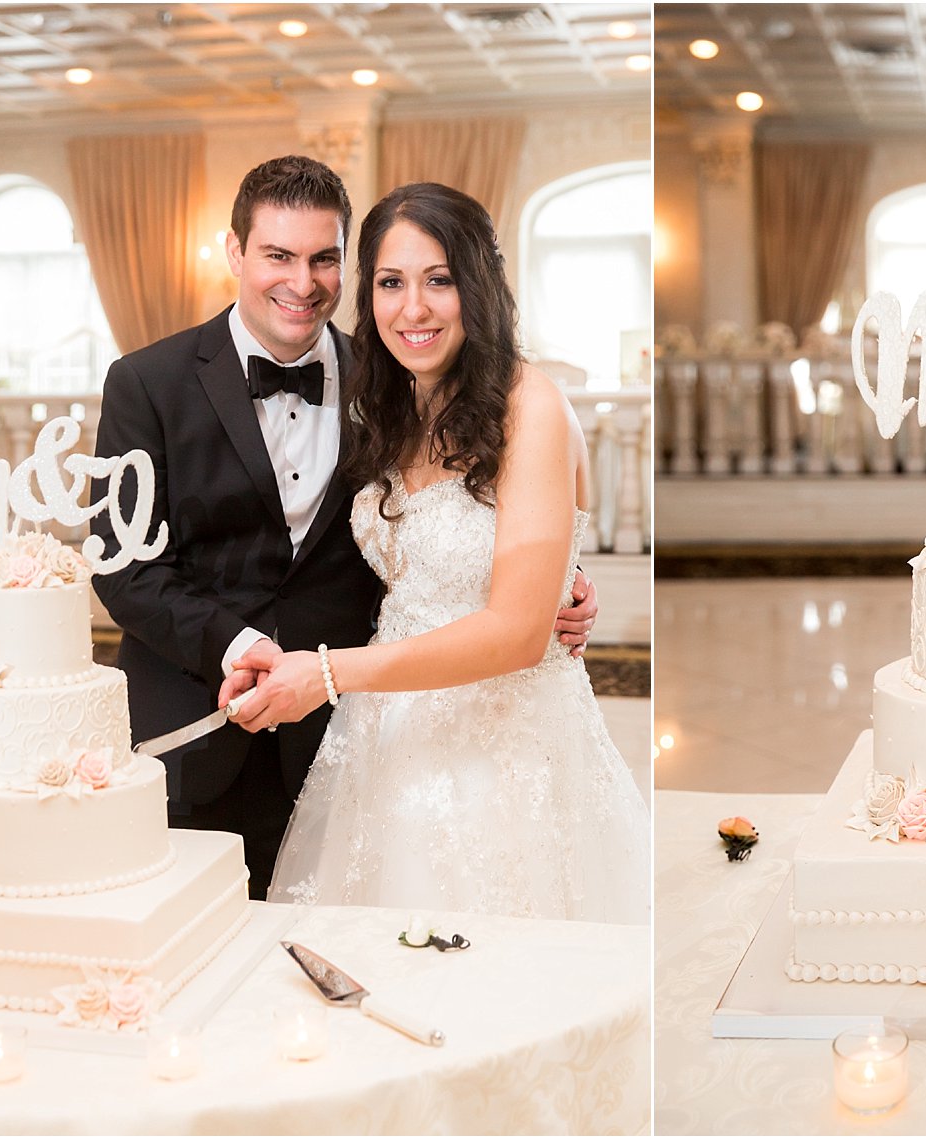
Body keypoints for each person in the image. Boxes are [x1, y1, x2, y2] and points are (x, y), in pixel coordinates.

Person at [90, 157, 598, 901]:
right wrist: (242, 646)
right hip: (198, 727)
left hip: (343, 736)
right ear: (235, 252)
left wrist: (563, 579)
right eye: (277, 256)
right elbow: (122, 566)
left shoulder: (387, 378)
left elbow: (472, 526)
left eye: (324, 259)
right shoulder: (145, 382)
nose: (302, 282)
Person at [224, 182, 649, 923]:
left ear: (479, 284)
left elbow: (518, 632)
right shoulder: (394, 403)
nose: (412, 309)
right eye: (391, 282)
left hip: (505, 757)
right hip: (387, 746)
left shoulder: (531, 406)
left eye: (438, 280)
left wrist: (328, 673)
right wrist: (561, 575)